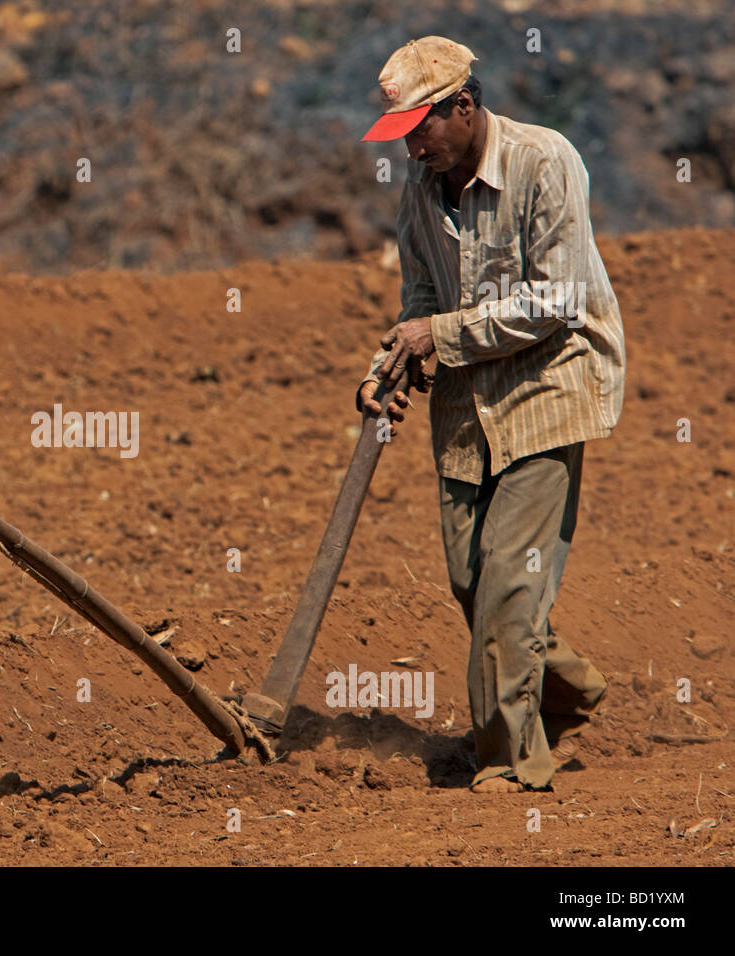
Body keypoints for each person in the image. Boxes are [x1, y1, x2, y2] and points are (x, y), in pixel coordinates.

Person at [356, 38, 625, 792]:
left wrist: (436, 335)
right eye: (401, 136)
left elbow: (557, 300)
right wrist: (392, 363)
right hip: (467, 401)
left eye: (420, 130)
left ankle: (509, 763)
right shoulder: (421, 189)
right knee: (472, 580)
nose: (411, 149)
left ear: (463, 108)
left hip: (549, 386)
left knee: (509, 580)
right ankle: (566, 687)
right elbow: (421, 299)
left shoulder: (545, 162)